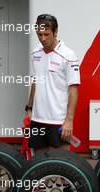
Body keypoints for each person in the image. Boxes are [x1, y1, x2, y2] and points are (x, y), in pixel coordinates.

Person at [26, 14, 80, 153]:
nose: (42, 38)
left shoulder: (68, 55)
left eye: (46, 34)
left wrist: (69, 120)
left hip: (59, 121)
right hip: (37, 119)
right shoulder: (35, 52)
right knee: (39, 165)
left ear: (55, 32)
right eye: (39, 34)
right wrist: (29, 108)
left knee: (61, 166)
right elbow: (35, 80)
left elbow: (73, 89)